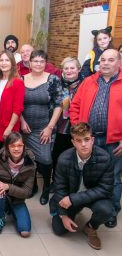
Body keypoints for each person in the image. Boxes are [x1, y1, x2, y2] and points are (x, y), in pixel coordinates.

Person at [70, 48, 122, 228]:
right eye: (103, 60)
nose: (105, 63)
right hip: (88, 138)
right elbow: (75, 105)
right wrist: (78, 129)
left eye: (111, 60)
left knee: (113, 177)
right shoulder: (88, 81)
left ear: (119, 63)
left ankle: (111, 211)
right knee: (81, 172)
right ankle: (75, 205)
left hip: (113, 141)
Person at [50, 122, 114, 250]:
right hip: (69, 196)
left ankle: (91, 227)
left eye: (86, 139)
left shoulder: (105, 158)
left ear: (92, 140)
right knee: (59, 230)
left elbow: (106, 189)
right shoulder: (64, 159)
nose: (83, 144)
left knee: (107, 210)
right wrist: (63, 215)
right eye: (79, 140)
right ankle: (68, 211)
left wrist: (74, 199)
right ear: (73, 143)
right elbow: (60, 188)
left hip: (89, 197)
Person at [20, 50, 62, 205]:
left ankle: (46, 187)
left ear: (46, 63)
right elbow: (17, 105)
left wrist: (50, 127)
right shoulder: (21, 79)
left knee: (45, 159)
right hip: (25, 129)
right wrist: (22, 122)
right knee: (28, 159)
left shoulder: (53, 80)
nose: (38, 64)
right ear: (29, 63)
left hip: (44, 129)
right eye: (35, 61)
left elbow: (58, 105)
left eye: (41, 61)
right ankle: (34, 186)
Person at [0, 132, 36, 237]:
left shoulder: (30, 164)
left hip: (18, 199)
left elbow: (27, 192)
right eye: (12, 146)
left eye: (19, 146)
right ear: (7, 147)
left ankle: (10, 209)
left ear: (24, 146)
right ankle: (0, 217)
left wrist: (8, 187)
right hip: (1, 195)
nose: (16, 149)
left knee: (25, 232)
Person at [0, 51, 25, 177]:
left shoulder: (17, 82)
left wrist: (9, 128)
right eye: (1, 60)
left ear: (12, 63)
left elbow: (17, 108)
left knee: (6, 157)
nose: (4, 63)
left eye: (7, 60)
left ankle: (6, 182)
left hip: (8, 126)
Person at [51, 57, 82, 191]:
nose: (69, 71)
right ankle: (56, 182)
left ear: (78, 69)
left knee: (75, 159)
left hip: (77, 129)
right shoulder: (58, 84)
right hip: (60, 128)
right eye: (66, 68)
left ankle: (72, 186)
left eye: (72, 68)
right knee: (57, 157)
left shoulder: (84, 85)